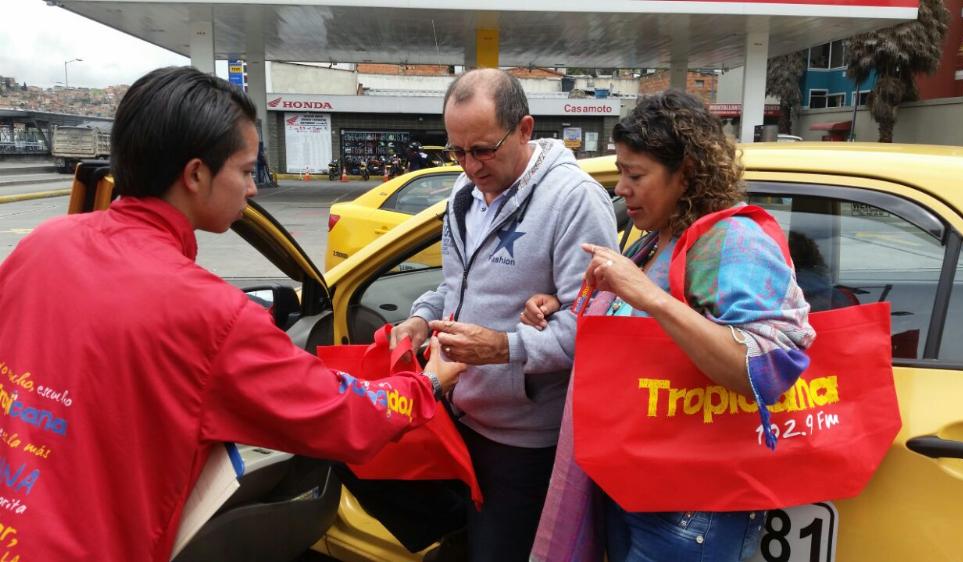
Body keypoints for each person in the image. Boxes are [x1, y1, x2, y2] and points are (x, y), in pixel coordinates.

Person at [0, 66, 464, 562]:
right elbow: (341, 415)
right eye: (245, 171)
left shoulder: (42, 246)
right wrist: (428, 383)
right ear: (196, 174)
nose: (253, 189)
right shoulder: (209, 313)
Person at [525, 90, 816, 562]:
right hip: (637, 487)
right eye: (620, 171)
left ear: (687, 173)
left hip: (691, 508)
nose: (621, 188)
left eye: (635, 175)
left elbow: (770, 366)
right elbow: (642, 325)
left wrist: (647, 295)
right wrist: (563, 304)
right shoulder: (658, 240)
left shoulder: (728, 239)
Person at [389, 68, 618, 561]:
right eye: (457, 151)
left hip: (524, 442)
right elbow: (457, 287)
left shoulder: (574, 200)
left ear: (524, 129)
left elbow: (593, 326)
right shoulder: (463, 195)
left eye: (483, 150)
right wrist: (421, 320)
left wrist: (503, 348)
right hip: (458, 416)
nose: (470, 166)